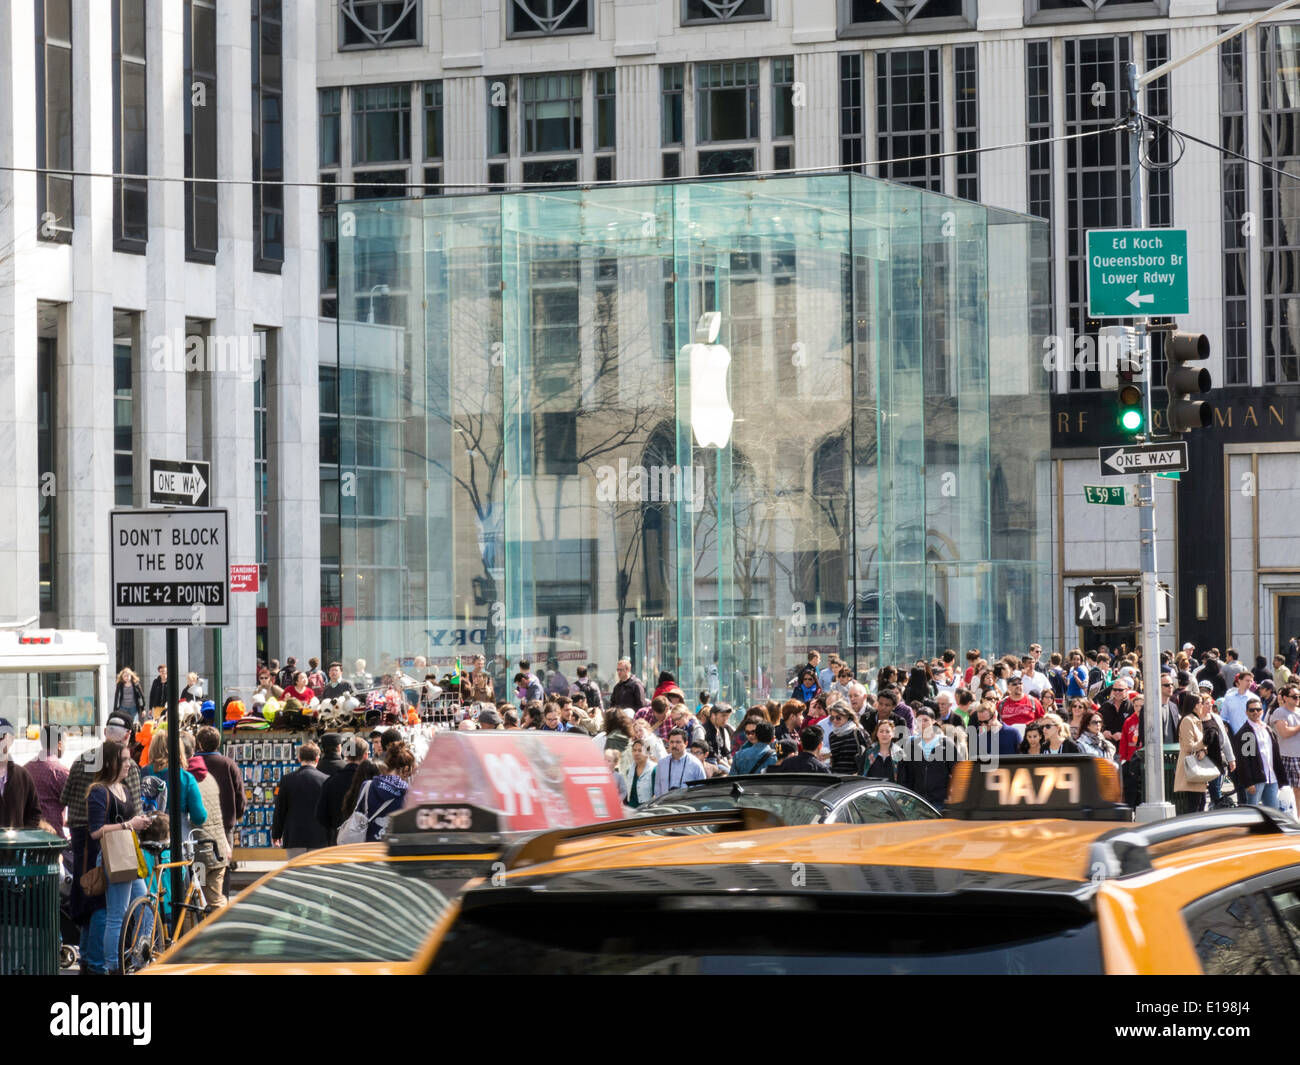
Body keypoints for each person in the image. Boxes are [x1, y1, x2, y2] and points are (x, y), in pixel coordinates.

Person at [86, 741, 152, 975]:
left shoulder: (123, 789)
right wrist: (128, 824)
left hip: (128, 854)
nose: (128, 764)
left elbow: (131, 820)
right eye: (123, 760)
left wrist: (142, 822)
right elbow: (95, 831)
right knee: (118, 913)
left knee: (145, 906)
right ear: (110, 762)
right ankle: (113, 966)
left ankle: (139, 958)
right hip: (114, 856)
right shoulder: (98, 790)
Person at [192, 726, 244, 896]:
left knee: (198, 862)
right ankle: (223, 897)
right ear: (218, 743)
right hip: (224, 824)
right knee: (223, 863)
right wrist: (237, 815)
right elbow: (239, 794)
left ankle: (200, 900)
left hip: (197, 823)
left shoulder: (192, 765)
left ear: (199, 743)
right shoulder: (228, 764)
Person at [180, 732, 228, 911]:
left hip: (200, 853)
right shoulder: (208, 777)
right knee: (212, 897)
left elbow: (198, 816)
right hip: (216, 848)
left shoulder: (186, 780)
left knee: (195, 899)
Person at [143, 732, 208, 841]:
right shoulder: (186, 778)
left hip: (147, 836)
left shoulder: (142, 773)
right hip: (178, 837)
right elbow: (199, 817)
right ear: (179, 750)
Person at [272, 743, 329, 857]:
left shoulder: (287, 780)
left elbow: (280, 810)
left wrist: (276, 834)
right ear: (317, 759)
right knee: (315, 872)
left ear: (299, 758)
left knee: (295, 871)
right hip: (319, 837)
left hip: (294, 836)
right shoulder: (326, 780)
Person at [352, 741, 414, 842]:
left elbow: (358, 818)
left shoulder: (367, 786)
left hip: (366, 849)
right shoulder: (409, 794)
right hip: (394, 850)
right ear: (406, 769)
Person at [899, 707, 956, 811]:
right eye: (919, 720)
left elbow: (957, 771)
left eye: (925, 720)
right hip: (917, 801)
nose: (922, 724)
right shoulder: (910, 745)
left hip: (940, 801)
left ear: (933, 721)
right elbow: (904, 774)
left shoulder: (946, 744)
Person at [1233, 697, 1284, 809]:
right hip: (1256, 780)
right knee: (1253, 812)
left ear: (1262, 711)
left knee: (1274, 813)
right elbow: (1244, 760)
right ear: (1246, 712)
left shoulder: (1267, 729)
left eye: (1258, 709)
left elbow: (1275, 755)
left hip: (1272, 778)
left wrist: (1281, 778)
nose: (1255, 712)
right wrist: (1249, 782)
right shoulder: (1247, 733)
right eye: (1252, 710)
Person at [23, 723, 69, 834]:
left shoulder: (25, 769)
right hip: (52, 838)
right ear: (59, 744)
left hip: (27, 835)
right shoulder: (60, 772)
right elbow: (76, 804)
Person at [1173, 690, 1212, 816]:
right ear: (1195, 705)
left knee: (1201, 803)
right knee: (1194, 805)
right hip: (1191, 768)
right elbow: (1189, 746)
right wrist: (1205, 743)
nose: (1204, 705)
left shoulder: (1196, 720)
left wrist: (1204, 750)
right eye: (1201, 703)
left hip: (1198, 768)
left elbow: (1198, 745)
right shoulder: (1187, 721)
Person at [0, 719, 42, 829]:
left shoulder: (23, 776)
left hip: (15, 845)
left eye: (1, 736)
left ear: (11, 739)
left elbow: (34, 813)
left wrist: (22, 836)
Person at [1269, 685, 1300, 801]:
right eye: (1294, 697)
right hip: (1286, 756)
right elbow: (1284, 733)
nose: (1297, 699)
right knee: (1285, 790)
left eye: (1298, 696)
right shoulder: (1280, 712)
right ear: (1285, 698)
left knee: (1298, 790)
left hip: (1298, 755)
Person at [826, 704, 868, 775]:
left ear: (847, 716)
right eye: (832, 718)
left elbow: (870, 752)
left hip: (854, 777)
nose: (835, 720)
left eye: (838, 717)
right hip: (837, 777)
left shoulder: (858, 732)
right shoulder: (832, 736)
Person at [625, 740, 657, 808]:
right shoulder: (629, 770)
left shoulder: (654, 769)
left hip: (647, 809)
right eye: (634, 750)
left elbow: (657, 794)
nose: (636, 753)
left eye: (640, 750)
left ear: (647, 753)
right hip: (631, 809)